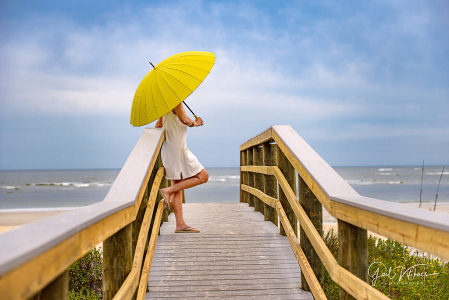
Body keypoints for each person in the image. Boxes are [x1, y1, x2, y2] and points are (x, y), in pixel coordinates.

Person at [155, 102, 209, 233]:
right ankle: (167, 191)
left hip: (170, 150)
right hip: (179, 150)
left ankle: (180, 224)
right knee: (203, 176)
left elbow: (158, 126)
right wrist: (195, 123)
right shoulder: (175, 101)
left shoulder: (165, 105)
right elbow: (184, 119)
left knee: (177, 186)